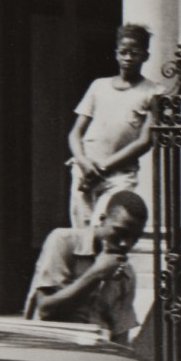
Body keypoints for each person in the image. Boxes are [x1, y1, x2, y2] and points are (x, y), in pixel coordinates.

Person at [67, 23, 161, 227]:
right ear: (116, 54)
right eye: (123, 52)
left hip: (119, 174)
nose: (128, 58)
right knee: (82, 233)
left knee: (107, 227)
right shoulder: (99, 86)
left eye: (134, 53)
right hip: (85, 171)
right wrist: (83, 161)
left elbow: (145, 141)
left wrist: (103, 167)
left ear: (145, 56)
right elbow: (76, 133)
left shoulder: (153, 92)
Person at [24, 189, 146, 340]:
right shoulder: (64, 241)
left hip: (96, 356)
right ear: (102, 219)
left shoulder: (127, 274)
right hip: (56, 348)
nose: (125, 243)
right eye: (120, 232)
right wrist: (96, 274)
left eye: (135, 237)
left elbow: (120, 335)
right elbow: (45, 309)